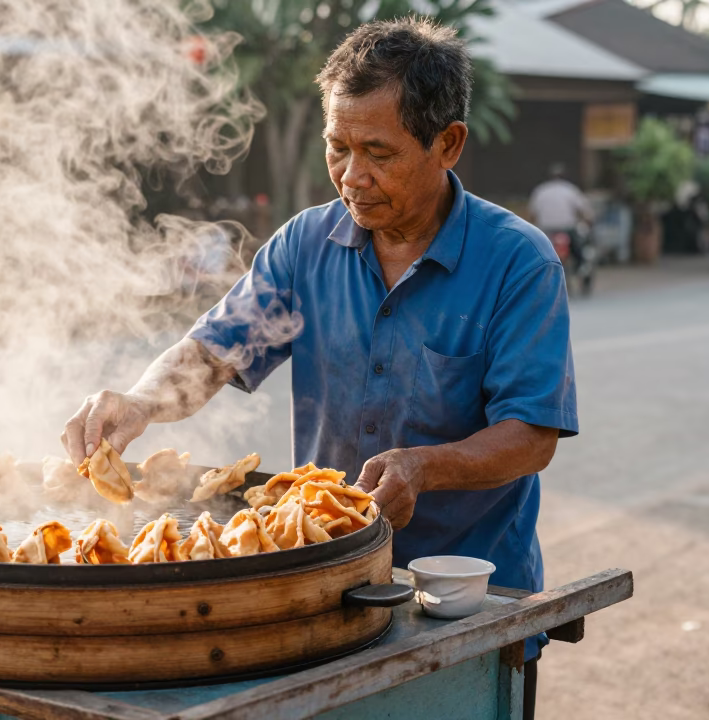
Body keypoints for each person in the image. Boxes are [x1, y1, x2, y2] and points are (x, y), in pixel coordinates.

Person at [62, 18, 576, 719]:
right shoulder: (305, 245)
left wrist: (425, 468)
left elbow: (531, 434)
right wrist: (142, 402)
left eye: (377, 153)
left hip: (466, 601)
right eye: (337, 148)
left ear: (447, 144)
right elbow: (215, 351)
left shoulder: (518, 262)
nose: (351, 177)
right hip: (325, 592)